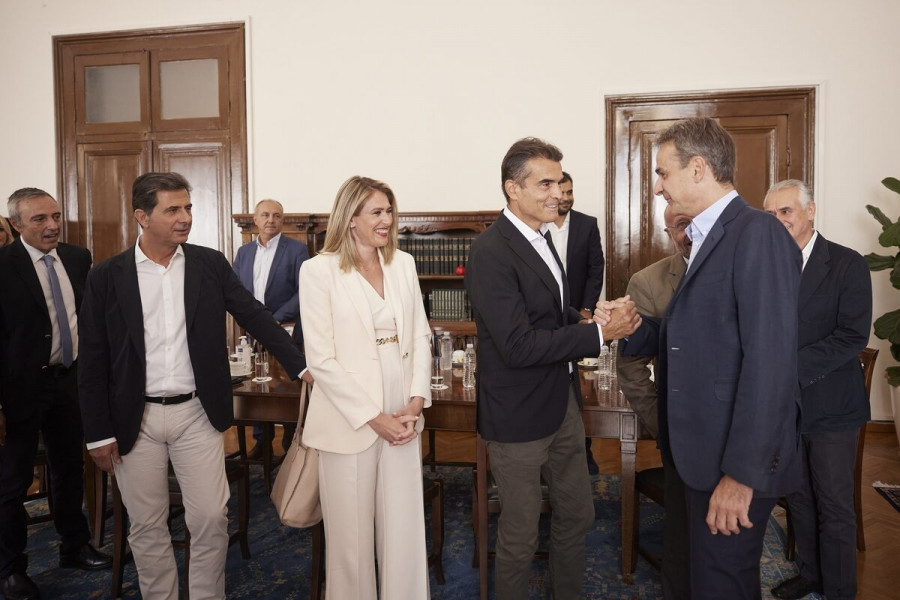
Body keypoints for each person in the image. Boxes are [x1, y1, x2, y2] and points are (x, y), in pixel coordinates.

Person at [77, 172, 305, 600]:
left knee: (210, 518)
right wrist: (97, 433)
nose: (185, 217)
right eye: (173, 209)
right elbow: (91, 359)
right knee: (147, 524)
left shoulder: (208, 264)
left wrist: (301, 366)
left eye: (188, 208)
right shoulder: (107, 276)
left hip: (197, 413)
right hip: (133, 418)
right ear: (142, 216)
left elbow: (253, 314)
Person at [621, 118, 802, 599]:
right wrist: (634, 327)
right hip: (694, 455)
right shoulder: (706, 237)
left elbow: (770, 367)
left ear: (698, 168)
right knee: (684, 576)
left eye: (663, 173)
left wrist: (741, 477)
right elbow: (699, 340)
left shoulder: (758, 233)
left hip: (730, 462)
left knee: (720, 584)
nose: (657, 187)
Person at [465, 137, 641, 600]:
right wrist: (599, 335)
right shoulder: (490, 251)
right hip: (517, 413)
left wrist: (590, 320)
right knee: (521, 532)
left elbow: (549, 313)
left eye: (560, 183)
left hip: (561, 403)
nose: (558, 194)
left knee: (578, 513)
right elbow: (518, 345)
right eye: (545, 184)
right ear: (513, 189)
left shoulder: (542, 236)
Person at [299, 176, 433, 600]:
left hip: (403, 413)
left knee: (404, 531)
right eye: (377, 212)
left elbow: (420, 335)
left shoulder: (403, 264)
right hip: (349, 419)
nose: (387, 220)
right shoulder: (317, 271)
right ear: (350, 218)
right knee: (351, 544)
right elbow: (321, 359)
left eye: (389, 211)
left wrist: (416, 401)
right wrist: (374, 419)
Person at [0, 188, 111, 600]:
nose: (52, 226)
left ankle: (74, 546)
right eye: (39, 219)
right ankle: (10, 570)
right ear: (16, 224)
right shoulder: (3, 266)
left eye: (56, 216)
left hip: (70, 382)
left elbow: (89, 318)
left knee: (69, 468)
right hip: (18, 390)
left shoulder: (78, 258)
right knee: (12, 483)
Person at [763, 180, 872, 600]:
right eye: (770, 214)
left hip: (832, 406)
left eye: (786, 211)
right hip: (785, 407)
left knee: (834, 505)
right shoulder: (766, 265)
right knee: (799, 497)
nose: (778, 221)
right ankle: (811, 577)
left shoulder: (847, 263)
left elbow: (851, 336)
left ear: (810, 211)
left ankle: (840, 590)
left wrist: (784, 370)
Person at [616, 204, 691, 599]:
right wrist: (661, 422)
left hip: (741, 433)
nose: (687, 234)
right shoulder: (648, 282)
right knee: (681, 538)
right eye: (677, 227)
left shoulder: (747, 268)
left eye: (691, 223)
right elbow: (630, 368)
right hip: (680, 433)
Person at [233, 198, 313, 459]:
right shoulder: (244, 253)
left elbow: (304, 291)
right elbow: (236, 291)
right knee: (256, 386)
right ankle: (262, 442)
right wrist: (252, 321)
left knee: (288, 387)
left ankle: (290, 440)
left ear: (282, 220)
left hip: (285, 329)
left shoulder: (297, 250)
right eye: (265, 215)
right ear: (255, 220)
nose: (271, 220)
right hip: (252, 333)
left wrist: (273, 320)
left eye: (277, 216)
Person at [548, 171, 607, 473]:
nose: (567, 197)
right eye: (563, 192)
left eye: (570, 192)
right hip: (548, 319)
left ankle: (584, 449)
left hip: (579, 319)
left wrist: (586, 310)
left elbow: (596, 269)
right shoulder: (538, 224)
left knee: (581, 384)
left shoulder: (587, 224)